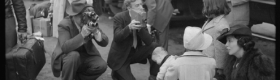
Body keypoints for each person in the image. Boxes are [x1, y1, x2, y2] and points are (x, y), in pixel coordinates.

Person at [51, 0, 109, 80]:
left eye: (85, 15)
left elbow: (105, 42)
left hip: (84, 55)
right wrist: (82, 35)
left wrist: (96, 32)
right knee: (74, 56)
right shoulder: (64, 24)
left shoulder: (89, 20)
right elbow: (65, 48)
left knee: (101, 65)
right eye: (81, 16)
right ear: (74, 16)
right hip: (67, 56)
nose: (84, 19)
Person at [107, 0, 161, 79]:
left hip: (133, 52)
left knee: (155, 46)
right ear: (129, 7)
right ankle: (117, 72)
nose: (141, 8)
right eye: (137, 5)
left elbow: (149, 41)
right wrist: (129, 28)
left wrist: (140, 29)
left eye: (141, 5)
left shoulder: (141, 17)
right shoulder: (119, 17)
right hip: (120, 57)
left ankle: (154, 76)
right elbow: (117, 38)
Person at [143, 0, 174, 79]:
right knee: (159, 43)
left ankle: (163, 72)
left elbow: (152, 7)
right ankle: (159, 69)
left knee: (162, 44)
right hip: (161, 9)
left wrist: (149, 23)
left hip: (161, 13)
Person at [201, 0, 231, 77]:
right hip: (207, 62)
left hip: (214, 68)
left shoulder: (220, 26)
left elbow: (221, 49)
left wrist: (220, 69)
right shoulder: (212, 20)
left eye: (205, 5)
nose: (204, 8)